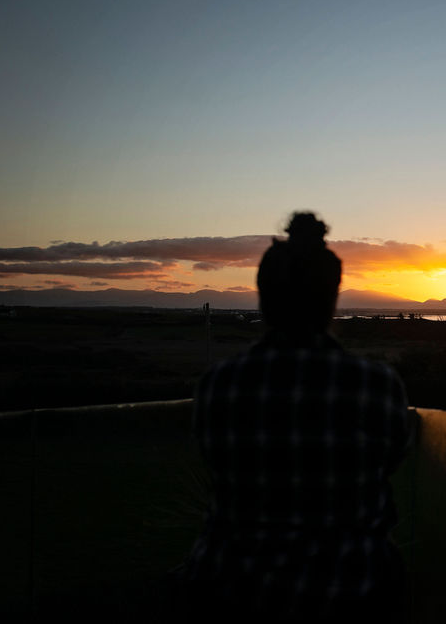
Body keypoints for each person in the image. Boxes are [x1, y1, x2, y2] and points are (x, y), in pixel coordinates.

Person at [183, 213, 409, 623]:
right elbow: (388, 463)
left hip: (231, 589)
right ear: (333, 296)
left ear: (263, 297)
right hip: (350, 589)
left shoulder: (220, 385)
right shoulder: (374, 385)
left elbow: (214, 463)